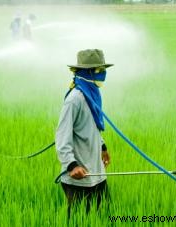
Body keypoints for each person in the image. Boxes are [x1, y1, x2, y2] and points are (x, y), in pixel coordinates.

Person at [55, 49, 113, 219]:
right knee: (79, 219)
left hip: (97, 173)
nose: (102, 73)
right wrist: (71, 165)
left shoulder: (93, 94)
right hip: (79, 177)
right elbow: (61, 136)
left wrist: (102, 146)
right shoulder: (74, 99)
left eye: (103, 69)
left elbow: (93, 126)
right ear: (87, 72)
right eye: (98, 70)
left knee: (104, 216)